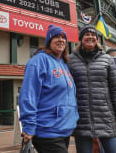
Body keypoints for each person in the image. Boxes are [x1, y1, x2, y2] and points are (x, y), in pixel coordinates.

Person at [19, 25, 78, 153]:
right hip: (47, 130)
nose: (61, 40)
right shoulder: (39, 61)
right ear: (49, 41)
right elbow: (29, 94)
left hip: (64, 129)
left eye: (63, 37)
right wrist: (28, 125)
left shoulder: (64, 64)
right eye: (57, 37)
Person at [68, 25, 116, 153]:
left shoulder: (107, 59)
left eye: (93, 35)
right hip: (81, 121)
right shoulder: (70, 60)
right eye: (86, 35)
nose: (90, 37)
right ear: (81, 39)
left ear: (97, 39)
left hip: (106, 118)